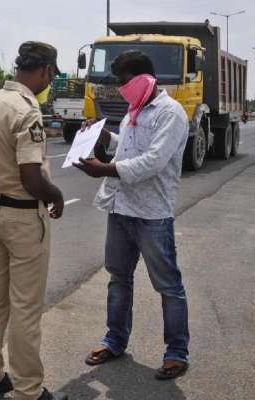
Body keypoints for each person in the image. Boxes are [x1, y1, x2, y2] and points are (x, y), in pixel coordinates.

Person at [73, 50, 190, 380]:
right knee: (118, 278)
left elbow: (153, 161)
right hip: (121, 208)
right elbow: (126, 148)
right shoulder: (133, 112)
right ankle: (114, 341)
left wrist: (105, 170)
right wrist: (101, 135)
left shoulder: (170, 113)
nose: (121, 88)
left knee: (168, 286)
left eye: (124, 82)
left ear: (143, 79)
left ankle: (177, 352)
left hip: (152, 214)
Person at [0, 41, 67, 400]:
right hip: (25, 217)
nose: (49, 81)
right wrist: (55, 195)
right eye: (51, 75)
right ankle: (28, 390)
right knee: (26, 307)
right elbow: (31, 177)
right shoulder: (27, 110)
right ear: (44, 70)